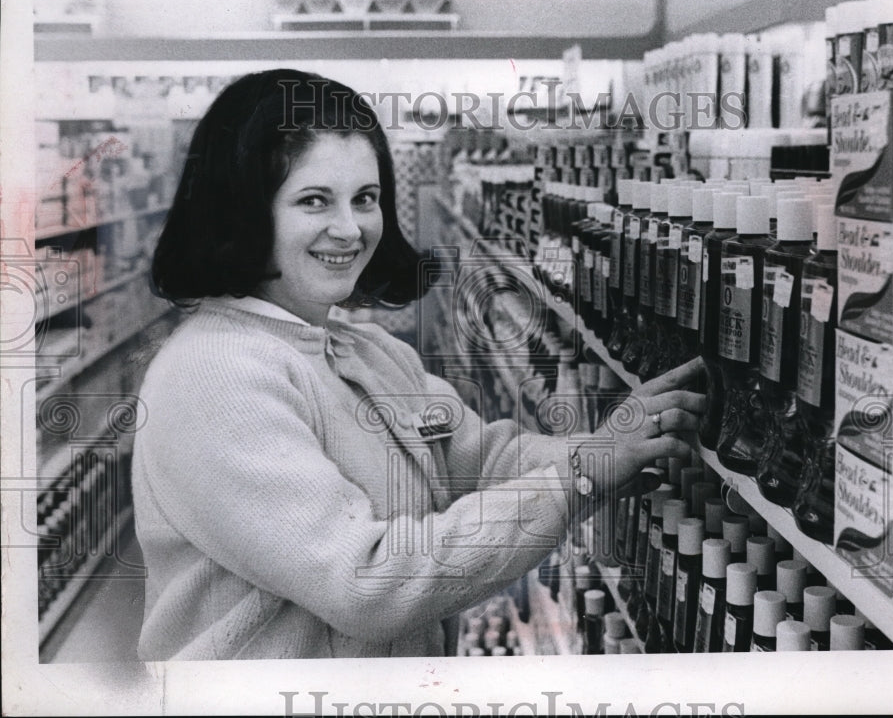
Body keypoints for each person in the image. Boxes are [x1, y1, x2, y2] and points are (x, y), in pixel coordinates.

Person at [132, 68, 707, 660]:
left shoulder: (369, 352)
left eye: (366, 198)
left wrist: (610, 443)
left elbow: (485, 460)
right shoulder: (213, 375)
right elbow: (366, 582)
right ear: (243, 213)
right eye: (313, 201)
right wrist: (579, 477)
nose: (350, 228)